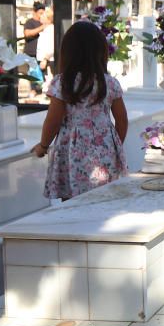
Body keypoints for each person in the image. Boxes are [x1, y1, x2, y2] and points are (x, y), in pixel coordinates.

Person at [31, 21, 128, 201]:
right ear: (102, 51)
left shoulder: (63, 83)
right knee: (103, 201)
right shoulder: (110, 83)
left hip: (71, 153)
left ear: (68, 53)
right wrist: (115, 146)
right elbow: (122, 120)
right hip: (105, 151)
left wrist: (43, 146)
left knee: (73, 203)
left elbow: (53, 121)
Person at [23, 1, 46, 95]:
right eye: (40, 13)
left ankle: (41, 90)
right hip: (30, 52)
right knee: (32, 72)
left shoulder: (44, 22)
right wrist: (42, 28)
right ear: (35, 12)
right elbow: (27, 33)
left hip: (42, 53)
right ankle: (33, 90)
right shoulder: (29, 22)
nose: (41, 15)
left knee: (42, 73)